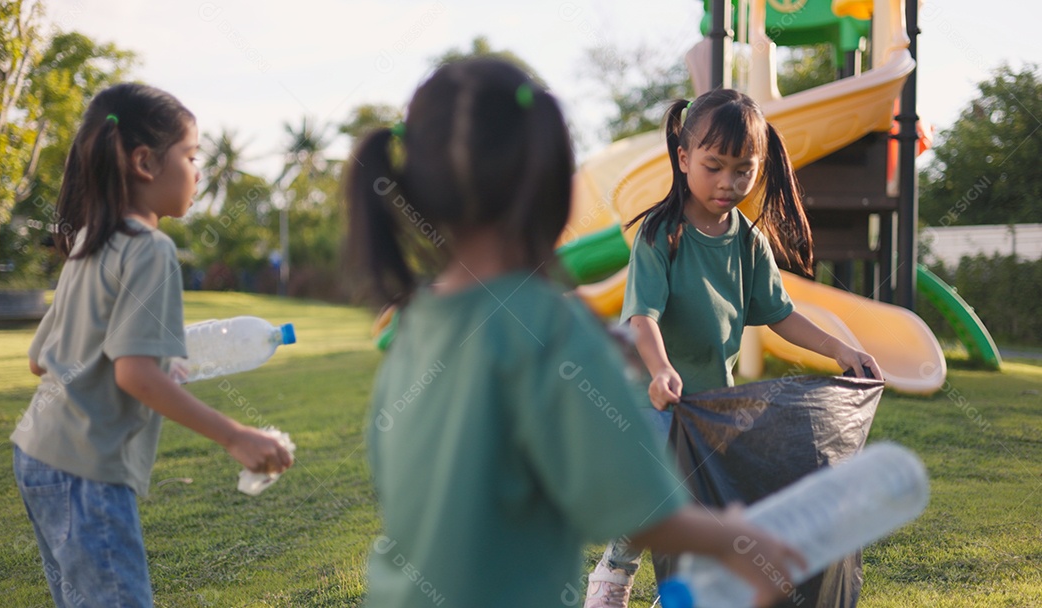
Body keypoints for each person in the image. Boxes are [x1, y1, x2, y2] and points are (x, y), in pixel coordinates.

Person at [344, 58, 804, 608]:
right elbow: (637, 510)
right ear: (548, 185)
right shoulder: (551, 327)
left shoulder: (415, 326)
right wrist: (739, 540)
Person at [583, 90, 884, 607]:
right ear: (683, 159)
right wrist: (659, 371)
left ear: (759, 166)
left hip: (712, 409)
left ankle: (680, 596)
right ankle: (614, 570)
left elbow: (781, 315)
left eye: (743, 170)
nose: (728, 183)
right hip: (652, 400)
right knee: (662, 505)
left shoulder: (748, 242)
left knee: (708, 514)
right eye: (713, 166)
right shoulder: (661, 235)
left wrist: (841, 349)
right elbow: (642, 318)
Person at [11, 83, 293, 607]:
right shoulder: (150, 250)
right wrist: (235, 436)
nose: (198, 171)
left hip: (36, 457)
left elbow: (39, 360)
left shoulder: (91, 241)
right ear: (144, 162)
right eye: (190, 156)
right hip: (87, 471)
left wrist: (155, 364)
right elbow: (133, 375)